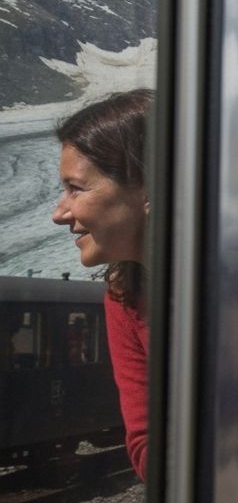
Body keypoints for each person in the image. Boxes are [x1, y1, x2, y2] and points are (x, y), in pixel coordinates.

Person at [52, 89, 154, 479]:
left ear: (148, 189)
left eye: (75, 188)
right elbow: (147, 445)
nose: (59, 213)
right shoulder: (124, 298)